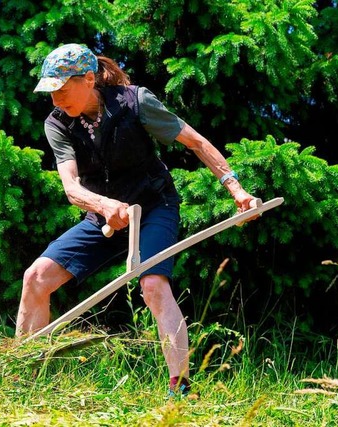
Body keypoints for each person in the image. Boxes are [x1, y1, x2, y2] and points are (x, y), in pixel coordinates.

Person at [16, 43, 256, 397]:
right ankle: (20, 378)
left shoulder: (136, 102)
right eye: (50, 94)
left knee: (154, 285)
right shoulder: (58, 123)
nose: (56, 101)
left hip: (154, 206)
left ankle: (181, 389)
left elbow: (196, 142)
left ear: (88, 79)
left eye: (63, 91)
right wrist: (104, 205)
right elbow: (71, 187)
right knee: (35, 277)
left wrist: (236, 189)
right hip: (103, 214)